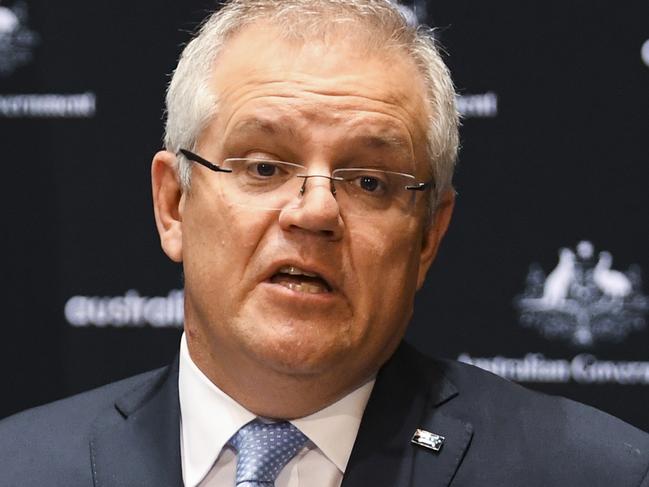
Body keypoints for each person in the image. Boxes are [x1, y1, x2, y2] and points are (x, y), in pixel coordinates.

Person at [1, 1, 648, 486]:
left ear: (428, 234)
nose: (314, 211)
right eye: (262, 166)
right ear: (173, 204)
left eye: (368, 179)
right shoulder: (21, 466)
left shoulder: (592, 471)